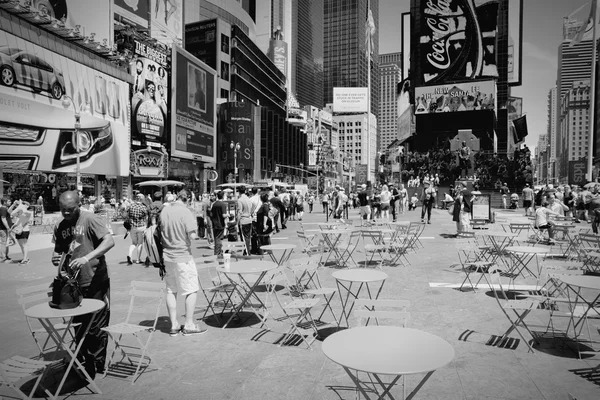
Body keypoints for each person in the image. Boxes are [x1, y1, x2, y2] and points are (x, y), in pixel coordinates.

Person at [51, 190, 115, 378]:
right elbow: (60, 251)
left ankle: (97, 361)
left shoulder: (90, 219)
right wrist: (56, 259)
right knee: (79, 324)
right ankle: (84, 359)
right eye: (63, 210)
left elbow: (109, 242)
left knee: (95, 326)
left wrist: (87, 257)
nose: (66, 213)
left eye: (70, 209)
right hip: (72, 285)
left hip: (95, 279)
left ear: (79, 205)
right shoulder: (60, 225)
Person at [157, 189, 205, 336]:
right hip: (183, 256)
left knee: (171, 290)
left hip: (166, 256)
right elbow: (192, 236)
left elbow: (159, 231)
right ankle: (189, 324)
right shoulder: (186, 212)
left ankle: (174, 325)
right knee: (191, 289)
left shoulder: (164, 211)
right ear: (188, 199)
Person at [126, 194, 149, 265]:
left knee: (133, 243)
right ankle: (138, 259)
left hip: (132, 226)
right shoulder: (143, 207)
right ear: (142, 199)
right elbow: (147, 217)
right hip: (141, 226)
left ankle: (130, 254)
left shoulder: (131, 206)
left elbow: (127, 215)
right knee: (140, 243)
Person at [209, 191, 229, 256]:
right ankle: (217, 253)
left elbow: (211, 214)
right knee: (219, 239)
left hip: (215, 224)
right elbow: (223, 215)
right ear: (223, 196)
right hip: (220, 224)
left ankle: (217, 252)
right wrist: (228, 215)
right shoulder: (223, 205)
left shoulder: (214, 204)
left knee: (216, 238)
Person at [236, 187, 253, 255]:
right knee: (248, 237)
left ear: (239, 192)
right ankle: (247, 251)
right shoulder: (248, 199)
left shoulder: (240, 200)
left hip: (243, 220)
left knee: (243, 237)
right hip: (249, 219)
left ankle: (247, 252)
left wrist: (237, 222)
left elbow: (239, 212)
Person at [0, 198, 13, 262]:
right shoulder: (3, 209)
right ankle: (3, 257)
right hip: (3, 228)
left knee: (7, 242)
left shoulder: (5, 209)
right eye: (9, 201)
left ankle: (6, 256)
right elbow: (3, 219)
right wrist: (7, 227)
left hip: (5, 228)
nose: (10, 202)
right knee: (4, 242)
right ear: (4, 202)